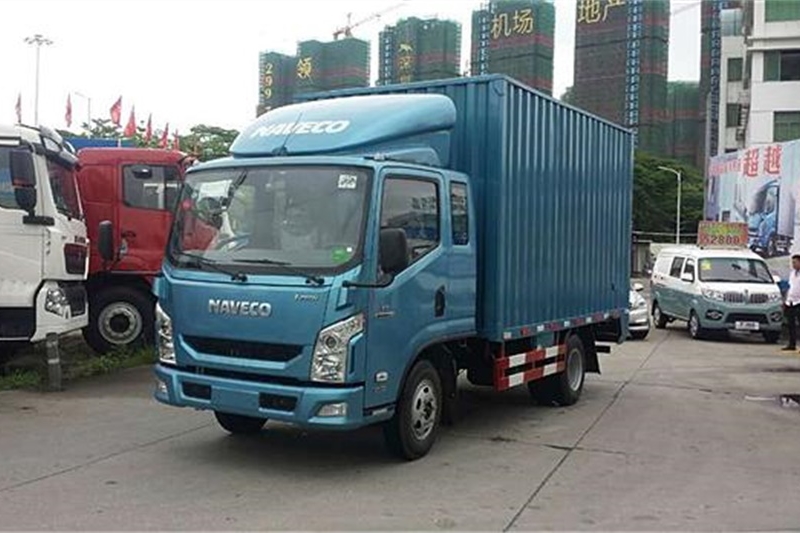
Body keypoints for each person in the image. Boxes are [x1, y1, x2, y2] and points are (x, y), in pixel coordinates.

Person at [783, 254, 800, 351]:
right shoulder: (792, 273)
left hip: (799, 302)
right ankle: (792, 344)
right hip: (790, 301)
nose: (793, 265)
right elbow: (790, 287)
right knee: (791, 324)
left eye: (795, 262)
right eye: (792, 263)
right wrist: (786, 300)